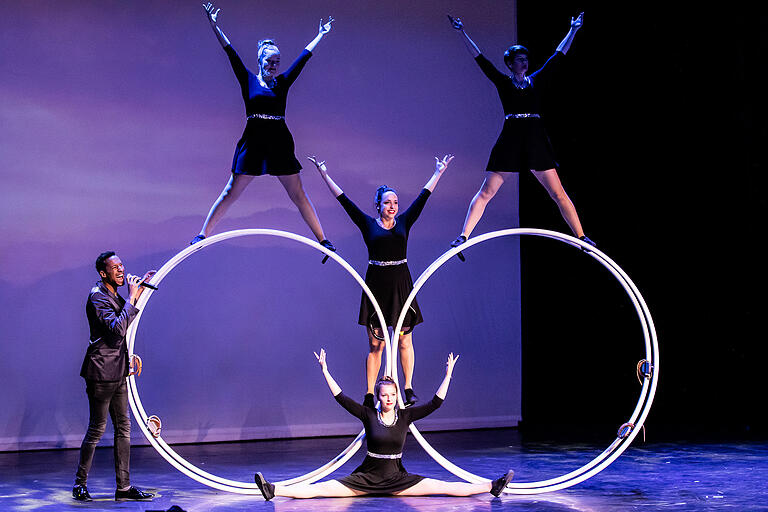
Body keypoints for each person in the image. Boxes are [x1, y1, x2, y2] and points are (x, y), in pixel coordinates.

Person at [253, 349, 514, 499]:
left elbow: (436, 403)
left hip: (397, 479)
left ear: (397, 396)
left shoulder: (405, 416)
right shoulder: (368, 415)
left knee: (445, 487)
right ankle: (272, 489)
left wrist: (448, 375)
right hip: (366, 479)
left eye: (392, 395)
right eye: (384, 396)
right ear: (378, 398)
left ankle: (493, 486)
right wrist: (325, 371)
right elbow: (341, 398)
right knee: (321, 490)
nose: (388, 399)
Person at [191, 3, 335, 258]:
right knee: (230, 191)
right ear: (260, 59)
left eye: (277, 62)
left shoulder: (282, 82)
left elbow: (303, 59)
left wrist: (321, 35)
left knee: (298, 193)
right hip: (254, 141)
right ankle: (202, 235)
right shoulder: (248, 80)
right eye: (270, 61)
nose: (274, 65)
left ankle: (323, 241)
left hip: (279, 141)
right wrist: (215, 25)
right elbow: (230, 53)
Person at [309, 155, 454, 407]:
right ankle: (368, 393)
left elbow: (423, 197)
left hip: (401, 285)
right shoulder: (367, 224)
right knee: (376, 344)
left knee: (404, 340)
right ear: (378, 205)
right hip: (375, 285)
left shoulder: (405, 222)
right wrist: (324, 174)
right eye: (388, 202)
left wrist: (438, 172)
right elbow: (344, 201)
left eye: (396, 202)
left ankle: (407, 388)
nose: (393, 206)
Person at [448, 13, 595, 255]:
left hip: (535, 141)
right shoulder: (504, 83)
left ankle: (581, 237)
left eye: (526, 59)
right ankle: (463, 237)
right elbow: (480, 60)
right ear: (510, 64)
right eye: (519, 59)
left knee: (558, 193)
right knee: (487, 192)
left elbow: (558, 56)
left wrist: (573, 30)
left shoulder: (536, 81)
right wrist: (462, 32)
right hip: (511, 141)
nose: (524, 63)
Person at [72, 252, 156, 502]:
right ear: (103, 272)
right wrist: (132, 297)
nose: (121, 271)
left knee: (124, 428)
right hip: (101, 373)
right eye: (115, 267)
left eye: (122, 266)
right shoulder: (97, 296)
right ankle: (80, 484)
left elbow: (123, 327)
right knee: (97, 429)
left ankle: (123, 487)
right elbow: (117, 330)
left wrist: (137, 294)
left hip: (118, 370)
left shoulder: (112, 294)